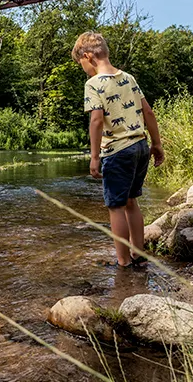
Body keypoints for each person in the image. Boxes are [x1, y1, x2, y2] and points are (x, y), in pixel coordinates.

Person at [72, 32, 164, 267]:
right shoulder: (129, 78)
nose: (82, 68)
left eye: (80, 63)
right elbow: (149, 112)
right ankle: (138, 254)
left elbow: (95, 120)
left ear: (88, 56)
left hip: (116, 151)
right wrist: (156, 144)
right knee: (132, 201)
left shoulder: (93, 84)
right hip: (140, 147)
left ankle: (123, 261)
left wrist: (94, 157)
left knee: (116, 207)